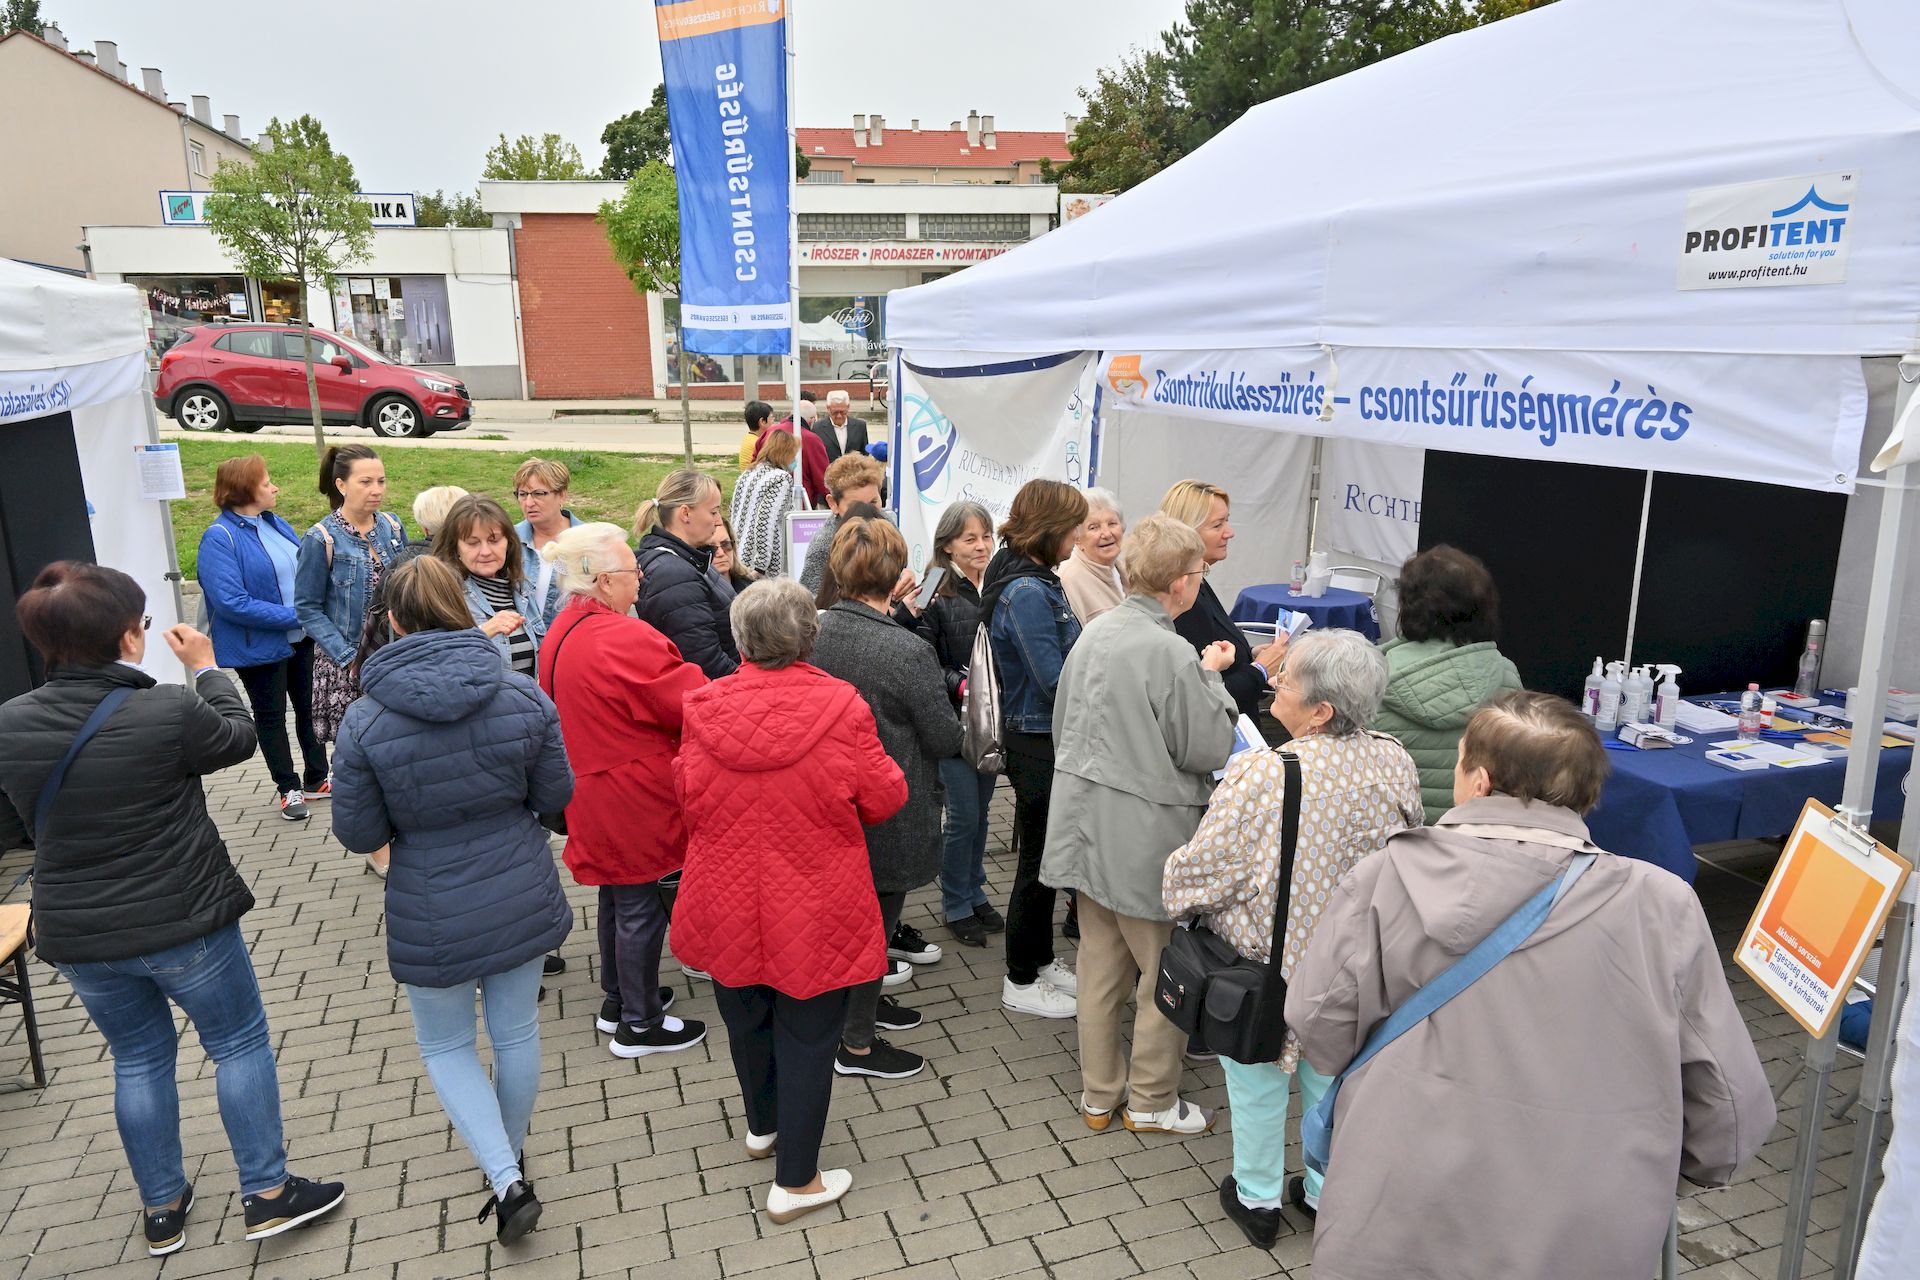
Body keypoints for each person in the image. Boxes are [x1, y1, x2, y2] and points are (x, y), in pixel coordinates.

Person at [1284, 692, 1773, 1278]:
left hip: (1399, 1205)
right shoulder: (1661, 903)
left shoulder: (1385, 876)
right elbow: (1731, 1103)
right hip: (1585, 1227)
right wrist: (1667, 1173)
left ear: (1480, 781)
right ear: (1587, 794)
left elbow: (1319, 1023)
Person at [0, 562, 345, 1256]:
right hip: (184, 919)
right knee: (238, 1043)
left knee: (137, 1059)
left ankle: (163, 1209)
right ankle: (268, 1195)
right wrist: (208, 668)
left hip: (79, 930)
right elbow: (239, 737)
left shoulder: (8, 723)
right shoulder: (164, 708)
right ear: (129, 637)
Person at [330, 556, 575, 1248]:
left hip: (429, 899)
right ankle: (509, 1160)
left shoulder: (365, 720)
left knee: (445, 1043)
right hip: (519, 883)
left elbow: (359, 833)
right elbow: (556, 797)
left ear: (394, 621)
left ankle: (505, 1177)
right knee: (516, 1032)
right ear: (462, 610)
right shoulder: (521, 695)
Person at [1162, 629, 1423, 1244]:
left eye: (1290, 678)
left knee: (1257, 1084)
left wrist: (1174, 885)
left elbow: (1199, 876)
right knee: (1331, 1082)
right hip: (1357, 964)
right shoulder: (1394, 758)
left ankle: (1256, 1201)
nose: (1275, 680)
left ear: (1321, 710)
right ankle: (1322, 1193)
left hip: (1270, 970)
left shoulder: (1265, 773)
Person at [671, 579, 908, 1224]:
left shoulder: (702, 707)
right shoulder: (841, 706)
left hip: (724, 892)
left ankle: (764, 1127)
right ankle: (796, 1180)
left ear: (739, 638)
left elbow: (687, 798)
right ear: (810, 637)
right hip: (814, 897)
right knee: (808, 1034)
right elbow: (884, 797)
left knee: (746, 1018)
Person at [1047, 514, 1238, 1137]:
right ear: (1181, 583)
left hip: (1083, 821)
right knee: (1164, 968)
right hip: (1144, 833)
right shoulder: (1172, 652)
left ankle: (1099, 1094)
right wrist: (1212, 680)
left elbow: (1063, 725)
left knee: (1099, 964)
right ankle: (1152, 1099)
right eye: (1198, 572)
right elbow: (1205, 748)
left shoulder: (1095, 631)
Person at [537, 524, 710, 1059]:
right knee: (641, 904)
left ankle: (621, 998)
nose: (641, 578)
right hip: (631, 790)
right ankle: (640, 1022)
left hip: (591, 785)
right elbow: (688, 699)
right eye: (634, 571)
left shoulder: (564, 626)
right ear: (604, 581)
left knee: (618, 896)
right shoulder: (623, 636)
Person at [810, 518, 963, 1082]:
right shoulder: (906, 650)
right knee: (874, 925)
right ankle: (856, 1044)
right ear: (897, 573)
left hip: (826, 804)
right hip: (889, 806)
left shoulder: (813, 631)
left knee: (849, 923)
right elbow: (943, 737)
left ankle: (862, 1008)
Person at [979, 479, 1089, 1019]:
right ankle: (1019, 978)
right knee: (1038, 864)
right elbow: (1053, 678)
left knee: (1048, 860)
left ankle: (1041, 961)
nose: (1079, 536)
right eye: (1074, 527)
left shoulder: (1034, 580)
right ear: (1050, 529)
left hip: (1044, 736)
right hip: (1037, 740)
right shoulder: (1027, 591)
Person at [197, 455, 327, 822]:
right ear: (244, 490)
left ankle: (317, 779)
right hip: (259, 644)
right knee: (271, 717)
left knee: (309, 709)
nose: (275, 488)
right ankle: (288, 788)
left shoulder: (275, 523)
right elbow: (231, 602)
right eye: (267, 483)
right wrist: (297, 615)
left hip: (301, 638)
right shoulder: (219, 537)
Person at [293, 443, 407, 822]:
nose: (376, 490)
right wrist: (348, 657)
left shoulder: (392, 527)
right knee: (358, 756)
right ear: (341, 485)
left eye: (381, 481)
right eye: (366, 482)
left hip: (394, 658)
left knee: (398, 750)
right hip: (347, 665)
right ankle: (369, 832)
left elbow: (410, 587)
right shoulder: (321, 538)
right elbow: (307, 608)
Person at [1373, 543, 1523, 822]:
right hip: (1471, 832)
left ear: (1408, 606)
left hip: (1394, 832)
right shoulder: (1506, 675)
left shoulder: (1373, 676)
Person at [913, 501, 1003, 948]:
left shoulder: (993, 584)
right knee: (963, 817)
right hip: (952, 723)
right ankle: (955, 904)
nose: (982, 546)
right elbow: (923, 658)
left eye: (986, 536)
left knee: (982, 814)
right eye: (970, 538)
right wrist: (963, 685)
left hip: (988, 723)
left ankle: (975, 890)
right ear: (947, 544)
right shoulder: (933, 588)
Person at [1158, 480, 1290, 721]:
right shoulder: (1182, 600)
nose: (1230, 532)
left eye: (1227, 521)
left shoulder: (1197, 582)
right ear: (1188, 532)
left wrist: (1249, 653)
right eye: (1218, 525)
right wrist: (1260, 670)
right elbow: (1205, 699)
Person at [634, 468, 739, 679]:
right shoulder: (672, 576)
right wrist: (749, 683)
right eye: (713, 512)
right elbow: (706, 661)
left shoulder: (690, 559)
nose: (719, 520)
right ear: (685, 513)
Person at [434, 494, 548, 678]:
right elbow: (435, 665)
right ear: (455, 548)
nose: (485, 551)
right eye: (473, 543)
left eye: (494, 540)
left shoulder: (521, 588)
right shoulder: (443, 594)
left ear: (509, 542)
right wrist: (484, 632)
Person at [798, 453, 887, 596]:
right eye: (855, 506)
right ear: (833, 503)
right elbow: (810, 599)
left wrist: (905, 576)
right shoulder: (823, 546)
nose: (866, 511)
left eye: (873, 502)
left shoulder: (887, 524)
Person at [512, 458, 584, 623]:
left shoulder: (589, 541)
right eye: (522, 494)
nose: (529, 503)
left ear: (562, 495)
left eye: (538, 494)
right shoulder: (509, 540)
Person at [730, 428, 804, 579]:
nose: (795, 459)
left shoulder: (748, 473)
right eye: (794, 454)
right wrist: (761, 565)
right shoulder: (781, 479)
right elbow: (766, 520)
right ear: (785, 453)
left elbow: (733, 511)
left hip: (738, 552)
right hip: (761, 563)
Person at [1057, 488, 1127, 624]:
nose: (1106, 534)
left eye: (1112, 524)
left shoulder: (1126, 571)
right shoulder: (1069, 579)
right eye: (1094, 527)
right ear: (1077, 538)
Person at [757, 400, 828, 506]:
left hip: (765, 498)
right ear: (812, 420)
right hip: (799, 503)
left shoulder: (770, 431)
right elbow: (822, 478)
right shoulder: (812, 440)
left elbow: (756, 458)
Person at [812, 389, 870, 463]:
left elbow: (865, 456)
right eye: (835, 412)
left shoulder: (860, 426)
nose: (839, 416)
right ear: (828, 408)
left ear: (848, 407)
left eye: (843, 412)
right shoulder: (817, 428)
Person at [712, 516, 756, 594]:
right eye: (711, 548)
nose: (721, 553)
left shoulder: (752, 587)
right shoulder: (696, 592)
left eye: (726, 544)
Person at [738, 399, 773, 471]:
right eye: (771, 418)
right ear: (762, 421)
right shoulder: (759, 443)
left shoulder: (749, 437)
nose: (773, 421)